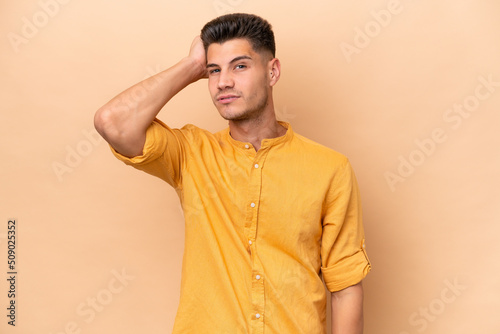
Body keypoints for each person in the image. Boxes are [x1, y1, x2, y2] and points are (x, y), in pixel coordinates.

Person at [94, 13, 371, 334]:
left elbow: (346, 287)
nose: (223, 81)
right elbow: (112, 122)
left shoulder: (330, 168)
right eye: (214, 70)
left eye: (239, 66)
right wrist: (190, 65)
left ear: (272, 71)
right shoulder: (190, 153)